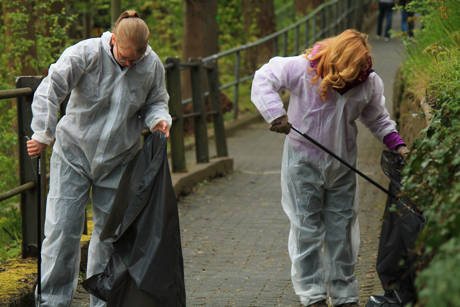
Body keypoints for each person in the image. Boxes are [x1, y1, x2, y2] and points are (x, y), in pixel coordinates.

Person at [250, 29, 409, 307]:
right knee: (306, 230)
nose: (354, 76)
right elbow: (265, 77)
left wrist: (398, 145)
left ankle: (344, 296)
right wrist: (275, 113)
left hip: (342, 165)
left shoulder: (367, 82)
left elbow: (378, 118)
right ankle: (312, 296)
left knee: (342, 232)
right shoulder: (304, 68)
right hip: (303, 162)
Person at [26, 10, 171, 307]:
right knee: (61, 232)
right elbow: (52, 87)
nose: (129, 64)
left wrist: (159, 120)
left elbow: (156, 100)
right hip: (73, 154)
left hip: (119, 160)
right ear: (113, 39)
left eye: (135, 60)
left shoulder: (151, 65)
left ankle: (103, 302)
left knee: (108, 238)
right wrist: (42, 132)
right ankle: (52, 302)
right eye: (124, 57)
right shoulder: (85, 53)